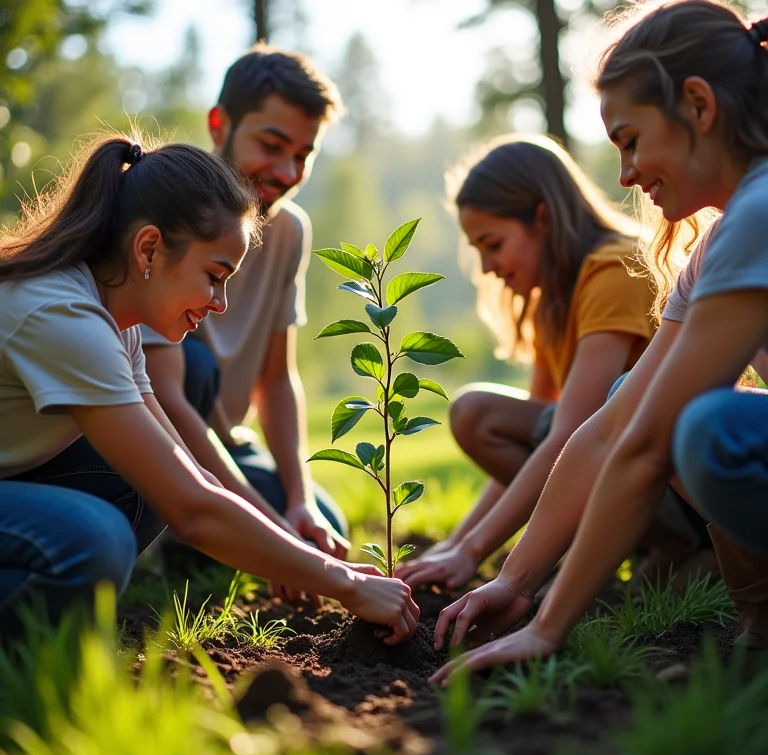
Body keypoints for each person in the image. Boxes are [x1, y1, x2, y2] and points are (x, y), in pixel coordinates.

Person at [429, 0, 768, 684]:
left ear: (698, 107)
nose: (626, 173)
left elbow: (645, 444)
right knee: (644, 403)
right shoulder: (713, 245)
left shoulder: (759, 211)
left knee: (709, 427)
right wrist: (517, 583)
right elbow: (609, 429)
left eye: (631, 140)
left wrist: (548, 625)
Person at [0, 135, 419, 643]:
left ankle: (57, 613)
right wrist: (346, 584)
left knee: (145, 479)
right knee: (94, 540)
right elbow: (192, 511)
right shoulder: (59, 313)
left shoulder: (118, 322)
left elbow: (187, 471)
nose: (220, 302)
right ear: (149, 248)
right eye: (214, 276)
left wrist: (292, 554)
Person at [398, 134, 705, 590]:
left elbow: (566, 432)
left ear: (542, 218)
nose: (486, 267)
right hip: (624, 470)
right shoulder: (555, 297)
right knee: (482, 416)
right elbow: (536, 449)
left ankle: (690, 547)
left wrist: (473, 552)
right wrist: (458, 544)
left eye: (492, 244)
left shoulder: (616, 269)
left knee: (490, 414)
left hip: (684, 490)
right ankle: (655, 551)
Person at [140, 46, 349, 599]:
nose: (286, 172)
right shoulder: (167, 210)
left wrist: (298, 501)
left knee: (328, 526)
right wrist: (274, 536)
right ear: (220, 124)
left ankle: (220, 536)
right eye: (272, 146)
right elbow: (166, 399)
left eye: (303, 156)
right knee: (197, 364)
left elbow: (277, 379)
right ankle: (179, 535)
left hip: (227, 440)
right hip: (160, 438)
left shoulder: (288, 232)